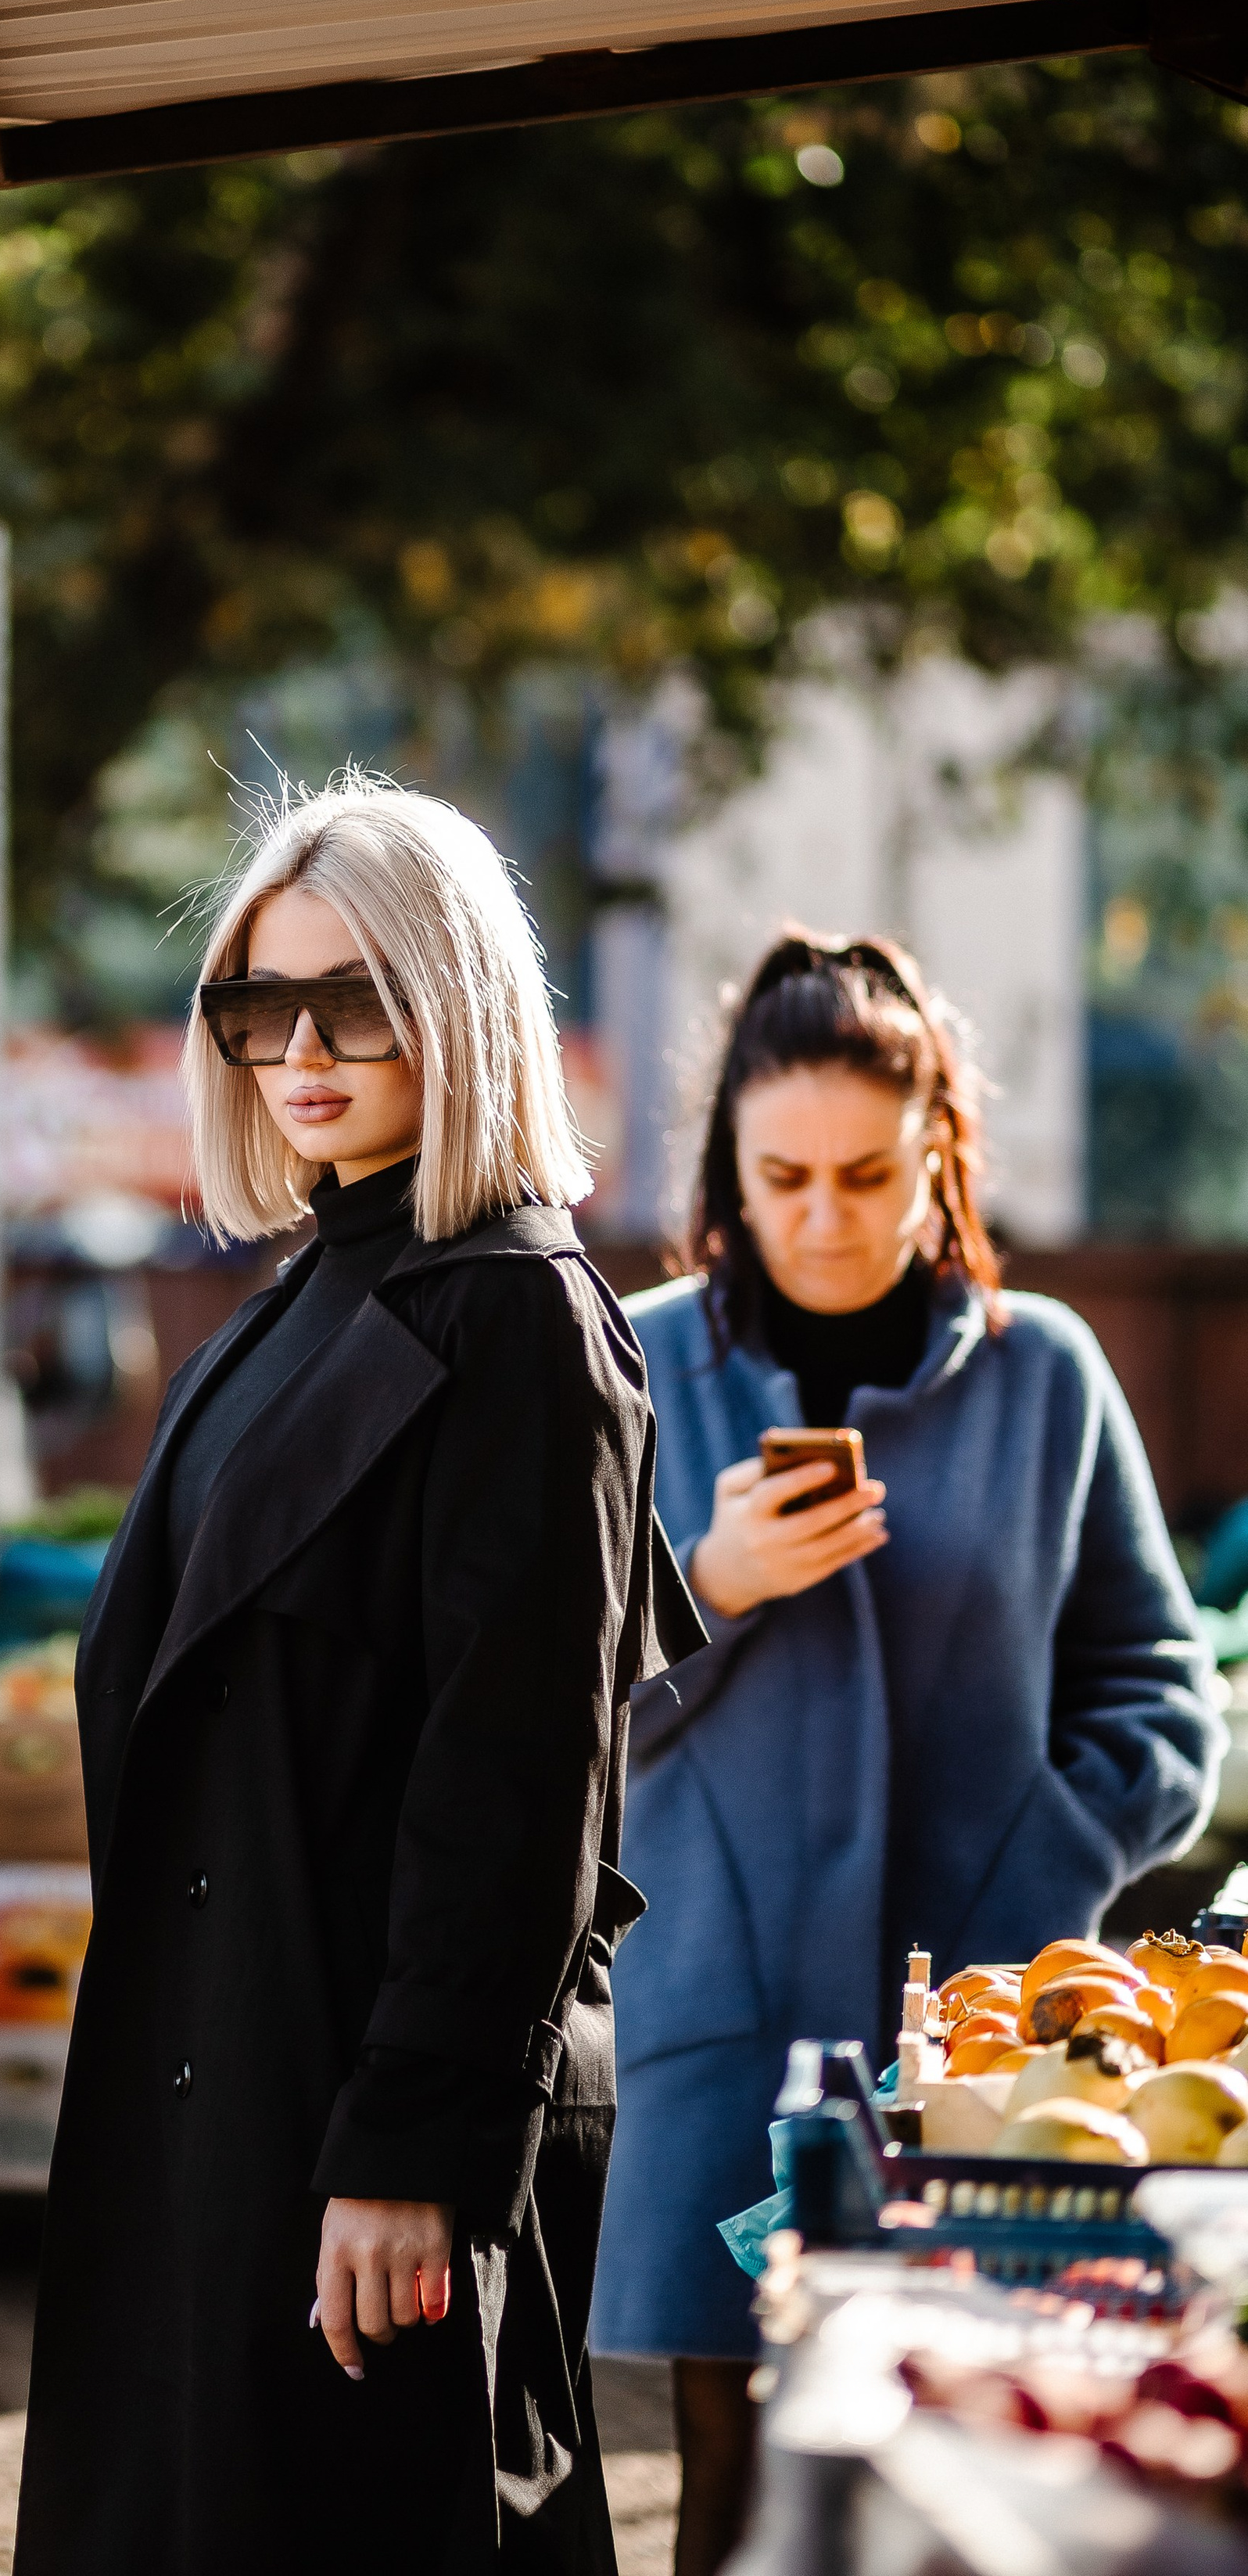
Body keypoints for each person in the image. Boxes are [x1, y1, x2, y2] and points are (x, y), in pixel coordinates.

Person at [13, 777, 705, 2576]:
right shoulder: (300, 1286)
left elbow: (517, 1787)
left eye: (354, 1002)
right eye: (255, 1006)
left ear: (459, 1006)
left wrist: (404, 2144)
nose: (295, 1050)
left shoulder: (520, 1318)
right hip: (214, 2076)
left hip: (354, 2111)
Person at [590, 929, 1223, 2576]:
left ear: (938, 1145)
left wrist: (1036, 1853)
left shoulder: (1043, 1375)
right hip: (715, 2027)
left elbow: (1158, 1700)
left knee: (975, 2458)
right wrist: (703, 1588)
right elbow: (533, 1722)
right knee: (726, 2480)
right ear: (726, 1159)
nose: (818, 1216)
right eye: (779, 1174)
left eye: (864, 1174)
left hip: (990, 2058)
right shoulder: (638, 1366)